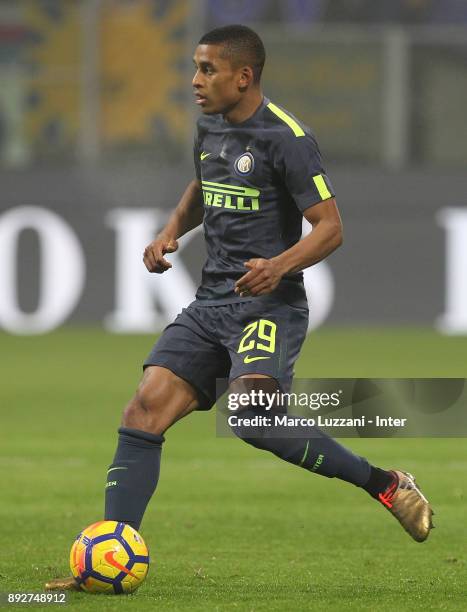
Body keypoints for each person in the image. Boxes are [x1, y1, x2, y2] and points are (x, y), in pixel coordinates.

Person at [46, 24, 433, 591]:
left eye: (207, 70)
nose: (196, 81)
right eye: (195, 68)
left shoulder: (288, 138)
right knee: (143, 411)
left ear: (243, 76)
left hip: (268, 306)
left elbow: (331, 229)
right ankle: (106, 562)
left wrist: (278, 266)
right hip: (211, 303)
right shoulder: (210, 124)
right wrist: (171, 230)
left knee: (252, 420)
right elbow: (204, 182)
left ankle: (386, 483)